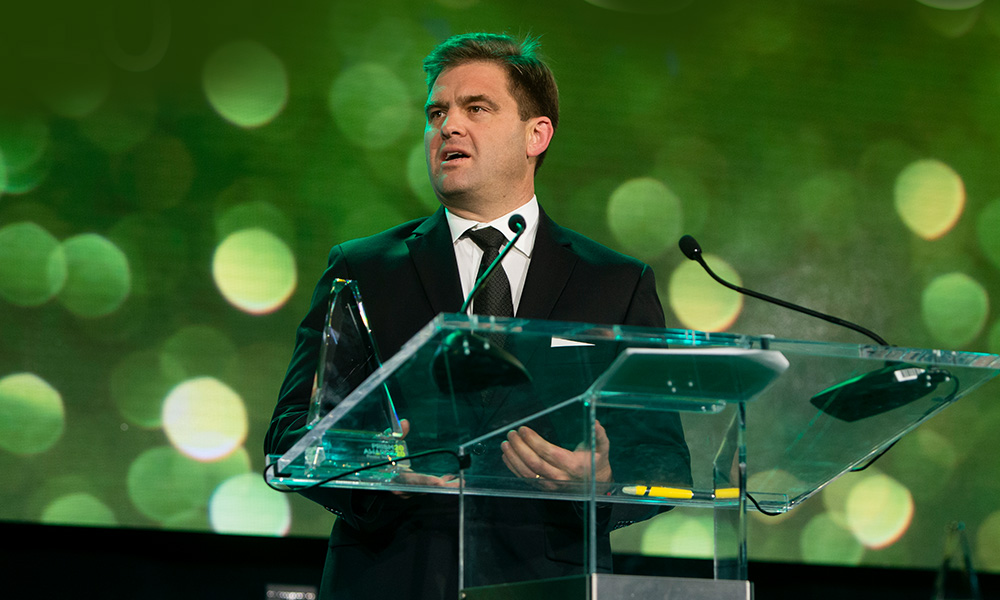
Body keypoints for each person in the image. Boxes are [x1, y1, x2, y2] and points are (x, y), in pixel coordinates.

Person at [265, 32, 689, 599]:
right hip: (394, 576)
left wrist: (605, 481)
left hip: (546, 583)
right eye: (436, 112)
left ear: (537, 134)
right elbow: (291, 431)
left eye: (477, 109)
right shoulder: (364, 268)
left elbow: (662, 456)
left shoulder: (614, 282)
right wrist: (379, 472)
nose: (448, 127)